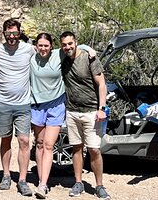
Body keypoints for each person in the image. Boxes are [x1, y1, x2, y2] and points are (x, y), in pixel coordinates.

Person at [0, 18, 36, 197]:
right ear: (3, 34)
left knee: (24, 141)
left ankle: (22, 179)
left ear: (20, 33)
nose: (12, 37)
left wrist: (85, 48)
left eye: (15, 33)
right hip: (3, 103)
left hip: (23, 104)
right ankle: (6, 174)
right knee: (5, 140)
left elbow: (50, 51)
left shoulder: (28, 49)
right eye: (8, 34)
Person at [60, 31, 111, 200]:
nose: (68, 47)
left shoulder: (89, 58)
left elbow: (101, 83)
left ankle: (99, 185)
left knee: (94, 149)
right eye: (64, 44)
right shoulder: (63, 58)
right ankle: (78, 182)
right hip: (72, 111)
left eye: (70, 43)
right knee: (76, 147)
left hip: (91, 111)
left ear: (76, 42)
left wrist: (101, 108)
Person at [29, 33, 65, 199]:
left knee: (49, 145)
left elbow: (79, 48)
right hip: (37, 105)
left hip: (56, 105)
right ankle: (40, 176)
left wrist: (89, 50)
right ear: (36, 45)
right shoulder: (31, 57)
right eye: (40, 45)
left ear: (52, 46)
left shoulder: (59, 54)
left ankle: (43, 184)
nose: (43, 48)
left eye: (46, 45)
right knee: (40, 143)